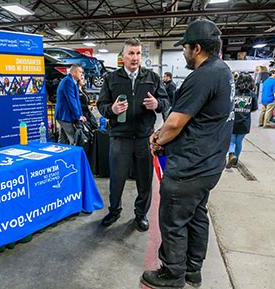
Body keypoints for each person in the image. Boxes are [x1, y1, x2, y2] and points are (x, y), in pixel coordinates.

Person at [141, 19, 233, 288]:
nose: (183, 53)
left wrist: (157, 140)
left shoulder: (202, 76)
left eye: (185, 48)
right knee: (196, 216)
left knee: (173, 221)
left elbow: (175, 123)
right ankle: (193, 269)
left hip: (189, 168)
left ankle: (172, 274)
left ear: (197, 48)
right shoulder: (223, 71)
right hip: (209, 164)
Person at [97, 38, 169, 232]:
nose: (135, 57)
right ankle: (114, 211)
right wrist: (111, 109)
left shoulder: (152, 78)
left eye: (138, 53)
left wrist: (158, 105)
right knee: (117, 179)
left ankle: (141, 215)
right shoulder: (111, 79)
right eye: (131, 53)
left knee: (145, 180)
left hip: (144, 138)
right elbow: (101, 106)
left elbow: (166, 102)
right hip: (120, 137)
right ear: (123, 56)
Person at [226, 73, 258, 168]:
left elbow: (228, 105)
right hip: (245, 122)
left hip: (233, 120)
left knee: (231, 141)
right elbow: (255, 109)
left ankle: (231, 154)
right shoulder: (252, 95)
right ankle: (236, 159)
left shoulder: (234, 92)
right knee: (239, 142)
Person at [54, 64, 86, 145]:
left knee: (63, 140)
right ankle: (74, 157)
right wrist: (78, 116)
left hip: (64, 116)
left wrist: (80, 115)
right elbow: (72, 101)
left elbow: (76, 101)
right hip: (64, 116)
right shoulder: (68, 81)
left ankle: (61, 156)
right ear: (74, 72)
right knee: (74, 140)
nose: (82, 74)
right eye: (80, 72)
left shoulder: (72, 82)